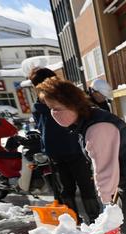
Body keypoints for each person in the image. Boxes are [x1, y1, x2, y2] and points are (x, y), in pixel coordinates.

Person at [37, 77, 126, 234]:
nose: (53, 114)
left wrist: (106, 201)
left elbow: (105, 171)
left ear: (71, 103)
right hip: (125, 177)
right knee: (121, 222)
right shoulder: (86, 118)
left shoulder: (97, 129)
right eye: (50, 108)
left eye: (56, 108)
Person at [28, 67, 101, 224]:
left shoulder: (43, 104)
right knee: (76, 187)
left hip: (65, 150)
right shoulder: (48, 103)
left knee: (71, 188)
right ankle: (84, 220)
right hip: (65, 151)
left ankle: (81, 221)